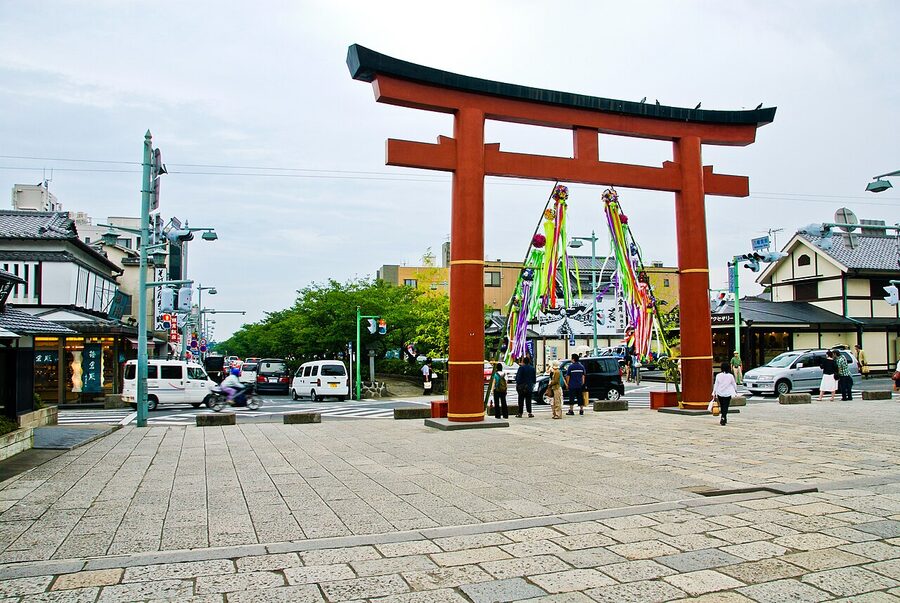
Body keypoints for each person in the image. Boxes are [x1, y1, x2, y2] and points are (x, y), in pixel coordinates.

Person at [712, 361, 738, 426]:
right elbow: (734, 384)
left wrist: (714, 393)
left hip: (720, 393)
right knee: (726, 406)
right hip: (727, 393)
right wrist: (735, 390)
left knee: (722, 406)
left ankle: (723, 417)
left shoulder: (718, 375)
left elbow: (716, 385)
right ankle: (724, 417)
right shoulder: (730, 376)